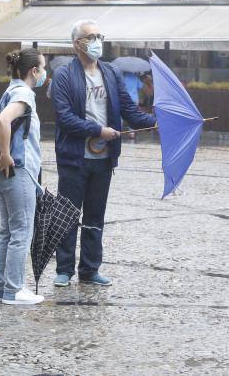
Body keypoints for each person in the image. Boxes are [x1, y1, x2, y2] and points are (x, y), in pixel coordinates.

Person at [51, 20, 156, 288]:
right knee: (68, 214)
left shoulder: (110, 72)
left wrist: (157, 120)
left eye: (99, 35)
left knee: (95, 216)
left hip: (103, 159)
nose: (97, 40)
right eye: (91, 36)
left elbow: (129, 111)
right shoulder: (65, 76)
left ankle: (89, 269)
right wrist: (98, 130)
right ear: (78, 44)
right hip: (73, 158)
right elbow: (65, 119)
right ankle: (64, 269)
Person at [0, 48, 47, 305]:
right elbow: (3, 121)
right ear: (33, 71)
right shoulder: (24, 93)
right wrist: (5, 154)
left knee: (8, 232)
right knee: (21, 231)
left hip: (6, 174)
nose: (45, 73)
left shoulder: (9, 90)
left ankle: (3, 289)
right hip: (19, 170)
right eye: (43, 68)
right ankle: (14, 290)